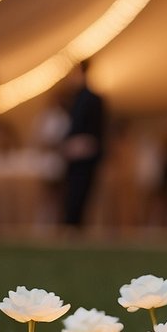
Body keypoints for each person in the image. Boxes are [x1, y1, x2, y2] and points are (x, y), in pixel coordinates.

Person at [61, 60, 105, 229]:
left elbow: (96, 134)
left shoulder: (93, 99)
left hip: (85, 159)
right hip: (73, 158)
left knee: (79, 200)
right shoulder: (75, 98)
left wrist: (82, 145)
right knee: (71, 201)